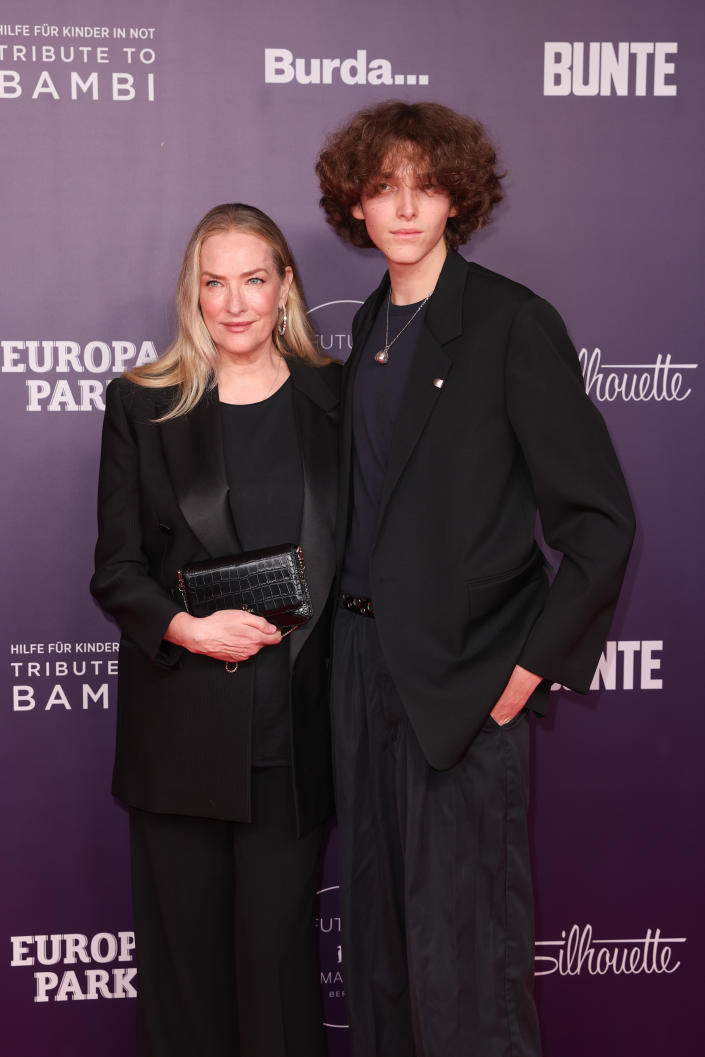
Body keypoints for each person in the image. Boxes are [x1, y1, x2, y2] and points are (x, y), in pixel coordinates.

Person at [316, 101, 635, 1056]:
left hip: (464, 681)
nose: (405, 206)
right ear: (356, 205)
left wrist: (526, 672)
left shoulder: (507, 321)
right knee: (377, 949)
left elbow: (602, 525)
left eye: (426, 184)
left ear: (459, 194)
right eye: (383, 187)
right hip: (359, 669)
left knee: (465, 962)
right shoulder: (368, 328)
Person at [90, 203, 339, 1057]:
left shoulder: (336, 399)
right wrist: (185, 628)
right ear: (192, 293)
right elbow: (115, 570)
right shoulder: (141, 403)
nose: (234, 303)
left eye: (253, 280)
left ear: (284, 288)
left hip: (293, 743)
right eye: (213, 282)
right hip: (180, 737)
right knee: (184, 990)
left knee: (278, 988)